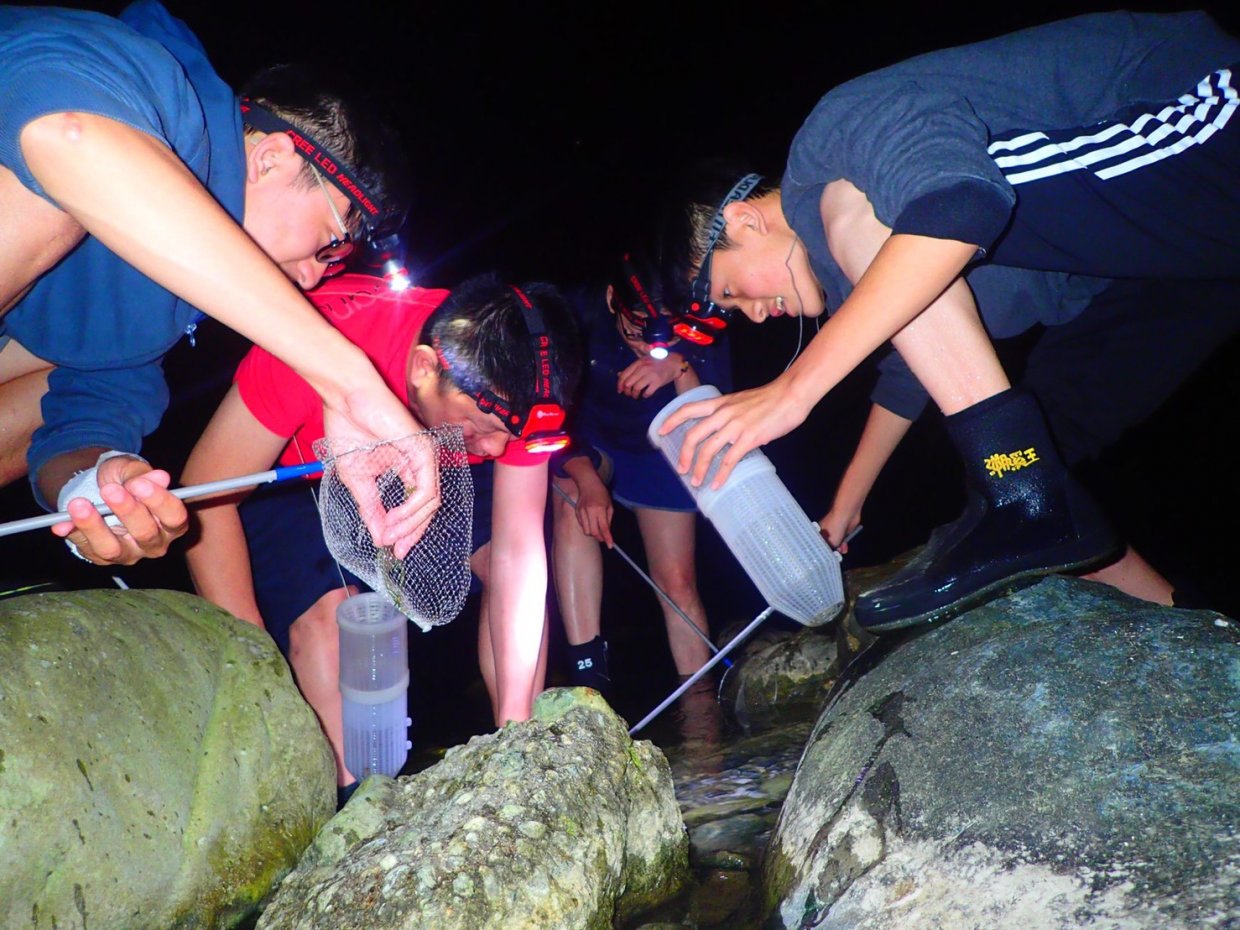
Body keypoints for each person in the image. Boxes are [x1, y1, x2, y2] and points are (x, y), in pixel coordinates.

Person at [659, 11, 1240, 631]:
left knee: (855, 211)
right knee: (1030, 464)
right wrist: (846, 506)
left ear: (744, 222)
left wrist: (792, 391)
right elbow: (916, 369)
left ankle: (1028, 504)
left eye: (730, 293)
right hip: (1165, 271)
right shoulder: (865, 271)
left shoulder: (831, 147)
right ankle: (1191, 641)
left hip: (1199, 119)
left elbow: (960, 202)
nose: (752, 315)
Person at [0, 1, 437, 566]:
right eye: (330, 244)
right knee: (53, 192)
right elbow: (69, 135)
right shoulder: (150, 81)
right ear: (273, 158)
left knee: (62, 377)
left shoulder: (160, 321)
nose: (311, 278)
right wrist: (346, 379)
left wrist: (99, 488)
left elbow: (83, 420)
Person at [182, 271, 581, 791]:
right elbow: (206, 497)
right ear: (424, 368)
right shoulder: (316, 339)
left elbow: (517, 549)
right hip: (304, 475)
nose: (491, 451)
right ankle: (355, 798)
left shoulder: (521, 385)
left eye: (507, 438)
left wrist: (515, 724)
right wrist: (254, 661)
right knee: (333, 624)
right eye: (480, 429)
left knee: (504, 570)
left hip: (431, 465)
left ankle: (516, 742)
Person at [551, 253, 730, 693]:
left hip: (661, 450)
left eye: (662, 330)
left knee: (676, 579)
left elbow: (709, 425)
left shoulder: (697, 327)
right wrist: (588, 479)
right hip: (588, 443)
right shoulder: (573, 316)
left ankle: (701, 702)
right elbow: (547, 420)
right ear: (614, 300)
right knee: (574, 507)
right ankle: (588, 677)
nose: (647, 342)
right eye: (637, 328)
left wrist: (679, 364)